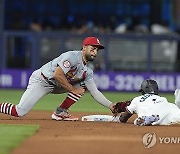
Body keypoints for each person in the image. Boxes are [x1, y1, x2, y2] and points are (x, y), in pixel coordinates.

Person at [0, 36, 115, 121]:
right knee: (19, 112)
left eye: (96, 50)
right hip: (42, 81)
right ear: (84, 47)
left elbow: (94, 92)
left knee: (81, 86)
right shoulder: (72, 57)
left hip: (57, 85)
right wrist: (72, 89)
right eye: (92, 48)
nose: (94, 52)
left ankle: (60, 112)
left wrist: (111, 105)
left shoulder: (87, 71)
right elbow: (57, 75)